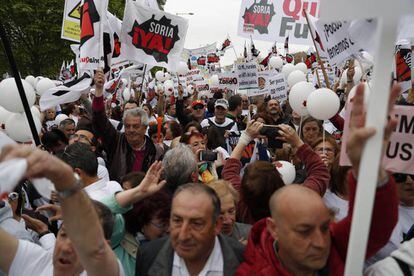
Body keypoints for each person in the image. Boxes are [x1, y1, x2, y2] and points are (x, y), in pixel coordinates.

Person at [236, 84, 401, 275]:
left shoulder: (335, 245)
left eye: (324, 227)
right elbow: (319, 173)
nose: (320, 242)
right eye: (304, 231)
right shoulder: (251, 272)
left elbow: (377, 225)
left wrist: (371, 167)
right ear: (274, 229)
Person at [0, 144, 123, 275]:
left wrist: (64, 178)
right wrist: (45, 233)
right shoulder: (34, 263)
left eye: (80, 242)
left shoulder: (105, 271)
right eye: (63, 234)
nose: (66, 248)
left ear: (104, 248)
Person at [222, 120, 330, 224]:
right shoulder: (297, 203)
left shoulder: (241, 203)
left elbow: (229, 171)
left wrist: (245, 137)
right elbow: (320, 172)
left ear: (244, 187)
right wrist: (297, 141)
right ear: (280, 182)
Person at [135, 183, 245, 276]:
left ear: (216, 225)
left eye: (196, 224)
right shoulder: (148, 256)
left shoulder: (243, 258)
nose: (183, 236)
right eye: (177, 221)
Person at [92, 69, 162, 182]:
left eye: (135, 126)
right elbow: (99, 120)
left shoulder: (157, 151)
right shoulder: (116, 141)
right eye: (128, 126)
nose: (130, 130)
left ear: (145, 128)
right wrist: (99, 90)